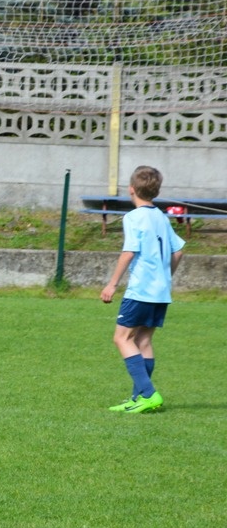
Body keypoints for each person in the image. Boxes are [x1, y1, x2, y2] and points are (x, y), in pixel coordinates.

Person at [100, 165, 185, 414]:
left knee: (121, 338)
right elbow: (178, 251)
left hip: (141, 290)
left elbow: (129, 252)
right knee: (143, 340)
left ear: (131, 189)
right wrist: (165, 276)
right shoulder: (161, 217)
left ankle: (148, 394)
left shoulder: (133, 217)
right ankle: (138, 398)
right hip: (161, 291)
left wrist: (112, 284)